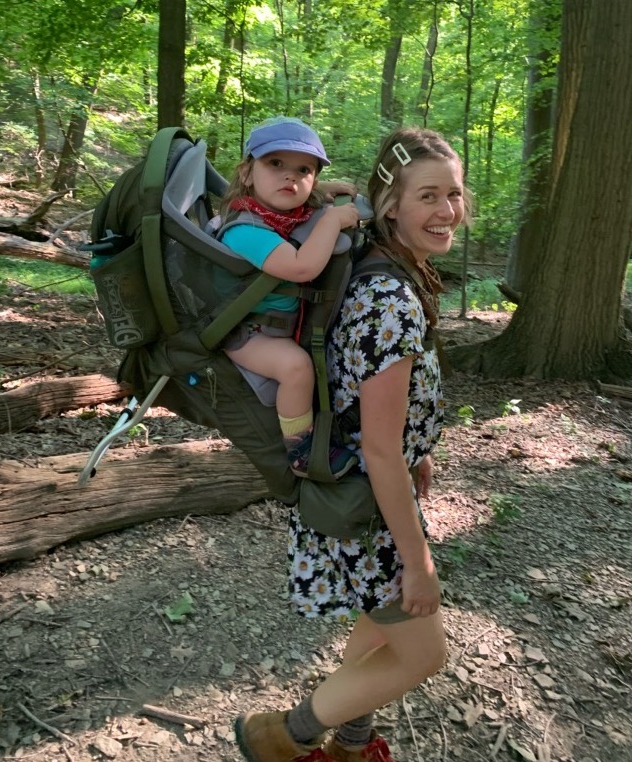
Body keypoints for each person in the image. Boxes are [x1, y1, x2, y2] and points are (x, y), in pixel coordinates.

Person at [234, 126, 471, 762]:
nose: (447, 211)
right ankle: (283, 736)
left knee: (375, 628)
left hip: (368, 491)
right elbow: (378, 449)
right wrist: (418, 560)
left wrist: (417, 443)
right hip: (366, 502)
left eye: (454, 193)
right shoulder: (388, 295)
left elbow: (379, 411)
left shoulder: (383, 265)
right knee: (425, 653)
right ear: (391, 204)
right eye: (428, 196)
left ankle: (352, 743)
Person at [218, 116, 361, 479]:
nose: (290, 177)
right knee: (296, 368)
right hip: (244, 332)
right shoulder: (246, 230)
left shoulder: (278, 213)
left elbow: (291, 191)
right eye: (275, 164)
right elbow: (301, 268)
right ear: (247, 172)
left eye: (304, 169)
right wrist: (330, 221)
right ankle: (300, 449)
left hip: (275, 324)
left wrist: (318, 189)